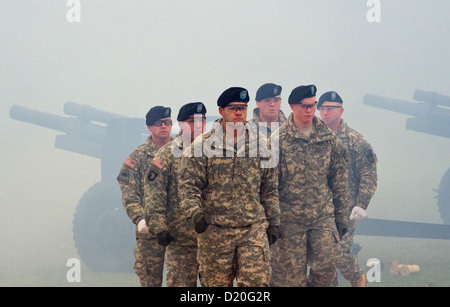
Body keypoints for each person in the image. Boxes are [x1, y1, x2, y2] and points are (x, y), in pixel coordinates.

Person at [178, 87, 281, 287]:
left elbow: (269, 188)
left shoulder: (262, 144)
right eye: (233, 108)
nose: (238, 113)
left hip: (252, 229)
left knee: (256, 286)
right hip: (215, 231)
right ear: (221, 110)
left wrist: (274, 221)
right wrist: (195, 214)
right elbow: (189, 186)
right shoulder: (203, 146)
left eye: (242, 108)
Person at [270, 84, 350, 287]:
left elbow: (339, 180)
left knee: (328, 265)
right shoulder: (277, 141)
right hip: (289, 221)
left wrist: (341, 217)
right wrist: (271, 219)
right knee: (291, 279)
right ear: (292, 107)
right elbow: (269, 185)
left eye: (312, 106)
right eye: (304, 106)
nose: (309, 110)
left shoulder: (329, 139)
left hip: (321, 217)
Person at [144, 102, 208, 287]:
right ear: (180, 125)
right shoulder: (167, 155)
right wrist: (159, 228)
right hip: (181, 241)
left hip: (212, 239)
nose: (198, 125)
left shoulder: (216, 152)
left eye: (201, 120)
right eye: (191, 121)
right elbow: (154, 194)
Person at [318, 91, 378, 287]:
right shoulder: (313, 138)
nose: (325, 113)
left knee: (339, 252)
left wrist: (361, 204)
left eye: (330, 108)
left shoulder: (355, 141)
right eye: (322, 108)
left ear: (341, 111)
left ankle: (357, 278)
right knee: (322, 256)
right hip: (317, 209)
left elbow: (368, 175)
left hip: (346, 209)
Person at [116, 106, 172, 287]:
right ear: (149, 127)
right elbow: (129, 192)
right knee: (150, 281)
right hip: (150, 232)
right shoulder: (138, 157)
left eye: (167, 122)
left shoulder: (182, 152)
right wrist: (140, 219)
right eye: (158, 124)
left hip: (179, 230)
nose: (164, 126)